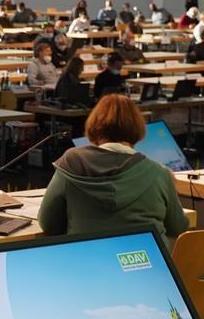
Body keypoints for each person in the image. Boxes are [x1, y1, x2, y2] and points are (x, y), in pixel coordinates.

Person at [39, 95, 187, 244]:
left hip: (87, 256)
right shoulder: (160, 173)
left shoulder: (71, 163)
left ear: (94, 124)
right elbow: (178, 227)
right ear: (137, 127)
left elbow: (48, 224)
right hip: (146, 256)